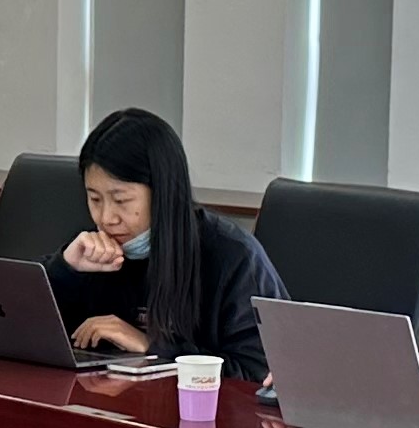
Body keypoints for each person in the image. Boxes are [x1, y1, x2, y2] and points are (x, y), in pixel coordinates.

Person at [50, 108, 287, 380]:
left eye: (121, 200)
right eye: (94, 199)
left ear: (163, 193)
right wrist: (65, 268)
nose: (106, 218)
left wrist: (154, 348)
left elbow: (258, 374)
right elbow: (29, 333)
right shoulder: (92, 253)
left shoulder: (233, 257)